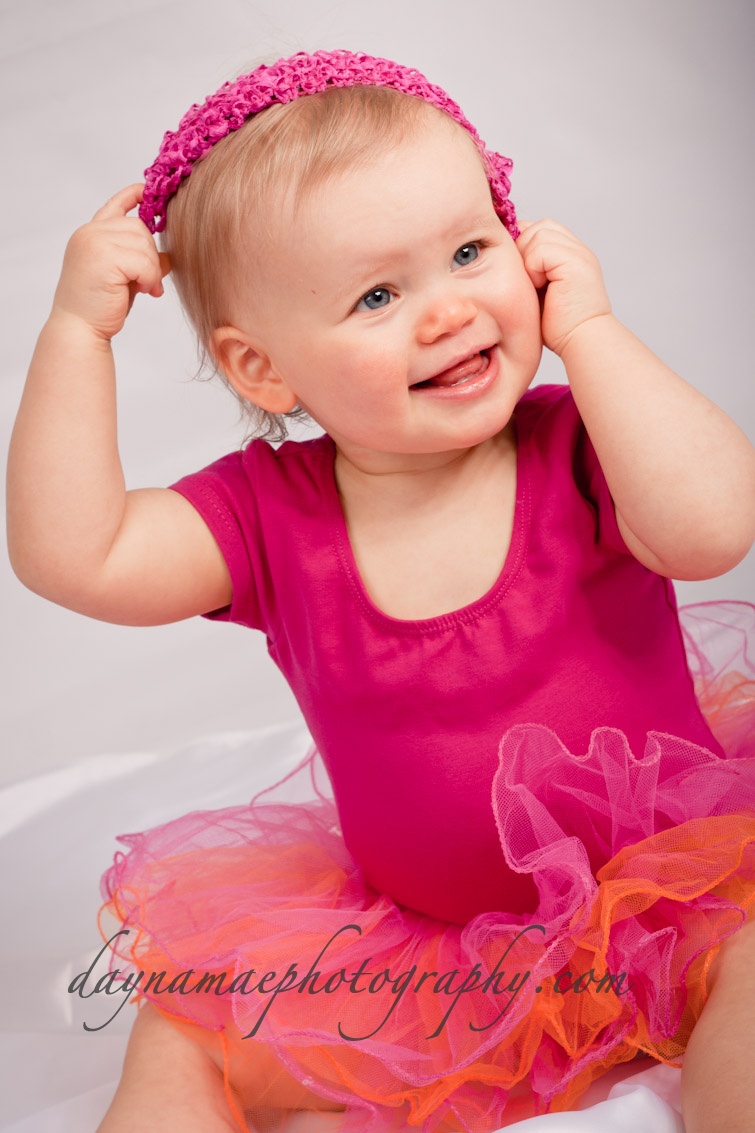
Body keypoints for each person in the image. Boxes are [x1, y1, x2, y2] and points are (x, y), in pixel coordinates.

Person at [6, 48, 755, 1133]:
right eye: (376, 294)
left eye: (468, 251)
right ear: (264, 370)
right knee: (188, 1028)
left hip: (674, 894)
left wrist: (589, 332)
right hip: (434, 953)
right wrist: (77, 336)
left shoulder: (581, 443)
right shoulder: (269, 515)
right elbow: (79, 554)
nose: (447, 310)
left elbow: (714, 528)